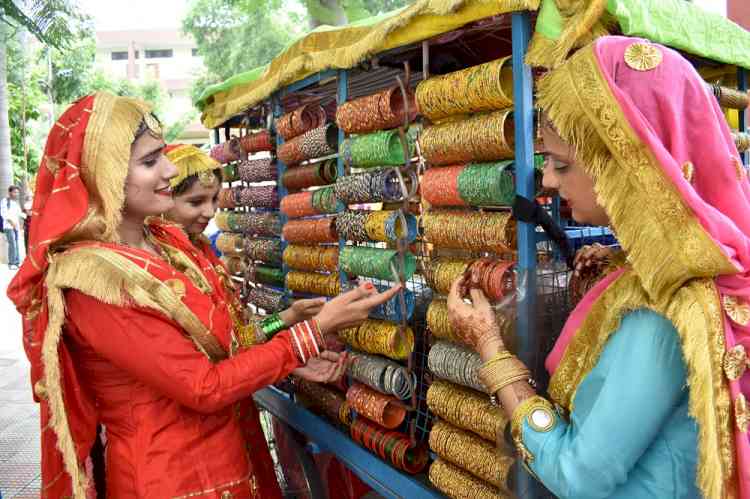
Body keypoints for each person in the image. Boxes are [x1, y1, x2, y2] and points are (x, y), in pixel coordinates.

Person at [7, 92, 400, 498]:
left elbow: (225, 344)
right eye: (149, 162)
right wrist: (312, 332)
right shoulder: (94, 280)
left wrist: (288, 346)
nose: (169, 170)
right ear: (101, 174)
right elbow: (203, 386)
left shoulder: (168, 245)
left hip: (231, 454)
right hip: (172, 476)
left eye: (163, 155)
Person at [447, 36, 750, 498]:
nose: (547, 180)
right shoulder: (695, 267)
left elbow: (578, 475)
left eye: (561, 165)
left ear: (629, 164)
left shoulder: (665, 313)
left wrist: (490, 349)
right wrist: (614, 263)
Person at [162, 142, 325, 497]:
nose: (208, 212)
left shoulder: (202, 253)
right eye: (194, 202)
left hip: (231, 424)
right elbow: (208, 375)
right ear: (163, 198)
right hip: (188, 444)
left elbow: (239, 339)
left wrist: (286, 318)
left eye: (213, 200)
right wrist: (300, 344)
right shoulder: (163, 270)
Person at [2, 185, 22, 269]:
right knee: (12, 244)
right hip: (8, 226)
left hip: (15, 227)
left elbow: (20, 214)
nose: (16, 194)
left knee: (16, 244)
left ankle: (17, 262)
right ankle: (11, 263)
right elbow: (4, 214)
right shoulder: (5, 201)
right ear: (10, 192)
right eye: (14, 192)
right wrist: (12, 223)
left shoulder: (15, 203)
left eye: (17, 192)